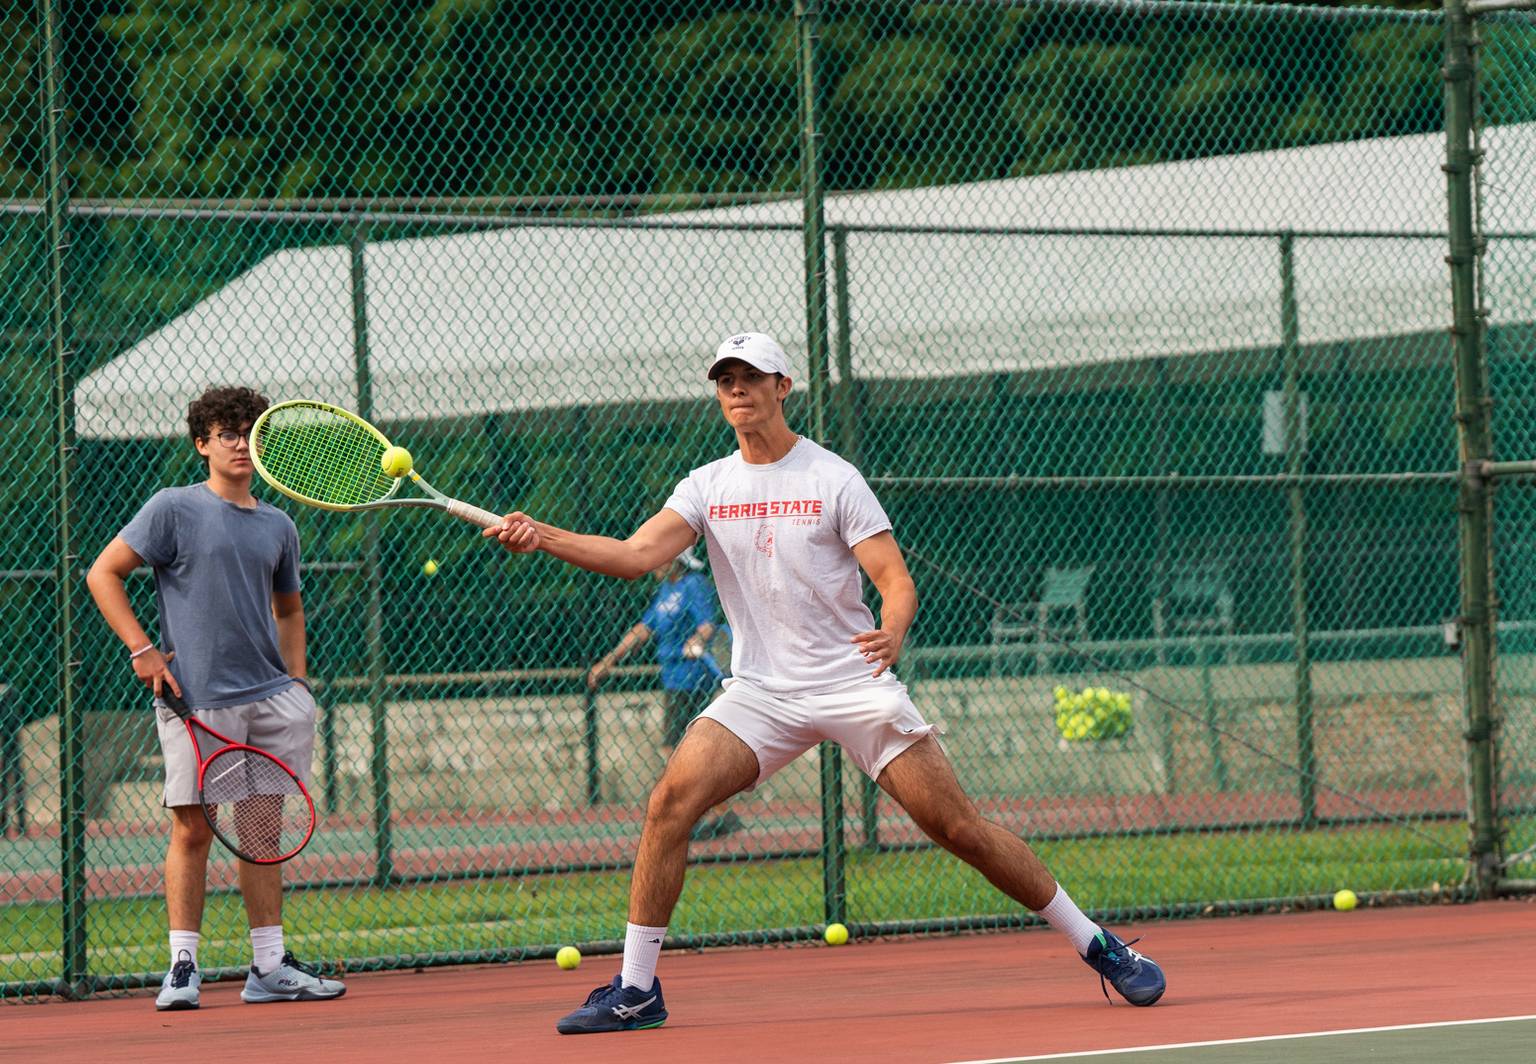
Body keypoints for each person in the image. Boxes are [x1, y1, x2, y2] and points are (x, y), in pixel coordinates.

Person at [486, 333, 1166, 1035]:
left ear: (783, 386)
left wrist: (893, 630)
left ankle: (1098, 944)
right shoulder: (706, 485)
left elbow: (894, 580)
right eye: (725, 379)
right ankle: (636, 989)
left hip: (852, 683)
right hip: (761, 693)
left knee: (958, 828)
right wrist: (543, 535)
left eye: (751, 377)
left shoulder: (833, 478)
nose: (737, 390)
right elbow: (634, 554)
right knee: (669, 804)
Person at [86, 386, 345, 1012]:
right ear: (202, 444)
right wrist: (141, 649)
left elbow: (289, 609)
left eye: (251, 433)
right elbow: (103, 573)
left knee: (261, 832)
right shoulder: (172, 508)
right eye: (227, 433)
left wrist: (298, 682)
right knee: (193, 828)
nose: (240, 444)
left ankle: (269, 967)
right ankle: (183, 968)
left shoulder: (279, 524)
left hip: (271, 699)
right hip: (197, 700)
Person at [586, 547, 743, 841]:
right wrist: (609, 660)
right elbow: (643, 629)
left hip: (692, 676)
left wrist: (696, 639)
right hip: (672, 676)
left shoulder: (693, 584)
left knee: (674, 749)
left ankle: (711, 812)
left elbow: (708, 624)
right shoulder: (665, 590)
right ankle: (719, 812)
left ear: (677, 559)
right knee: (681, 750)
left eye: (662, 558)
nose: (655, 564)